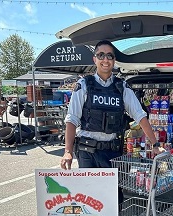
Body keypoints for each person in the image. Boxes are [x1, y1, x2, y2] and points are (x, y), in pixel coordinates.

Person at [60, 40, 163, 172]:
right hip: (87, 153)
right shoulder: (84, 84)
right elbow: (72, 119)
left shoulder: (122, 87)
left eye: (110, 56)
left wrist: (155, 144)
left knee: (112, 192)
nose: (105, 59)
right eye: (101, 55)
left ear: (114, 60)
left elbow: (140, 115)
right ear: (94, 59)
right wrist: (67, 151)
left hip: (112, 153)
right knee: (90, 192)